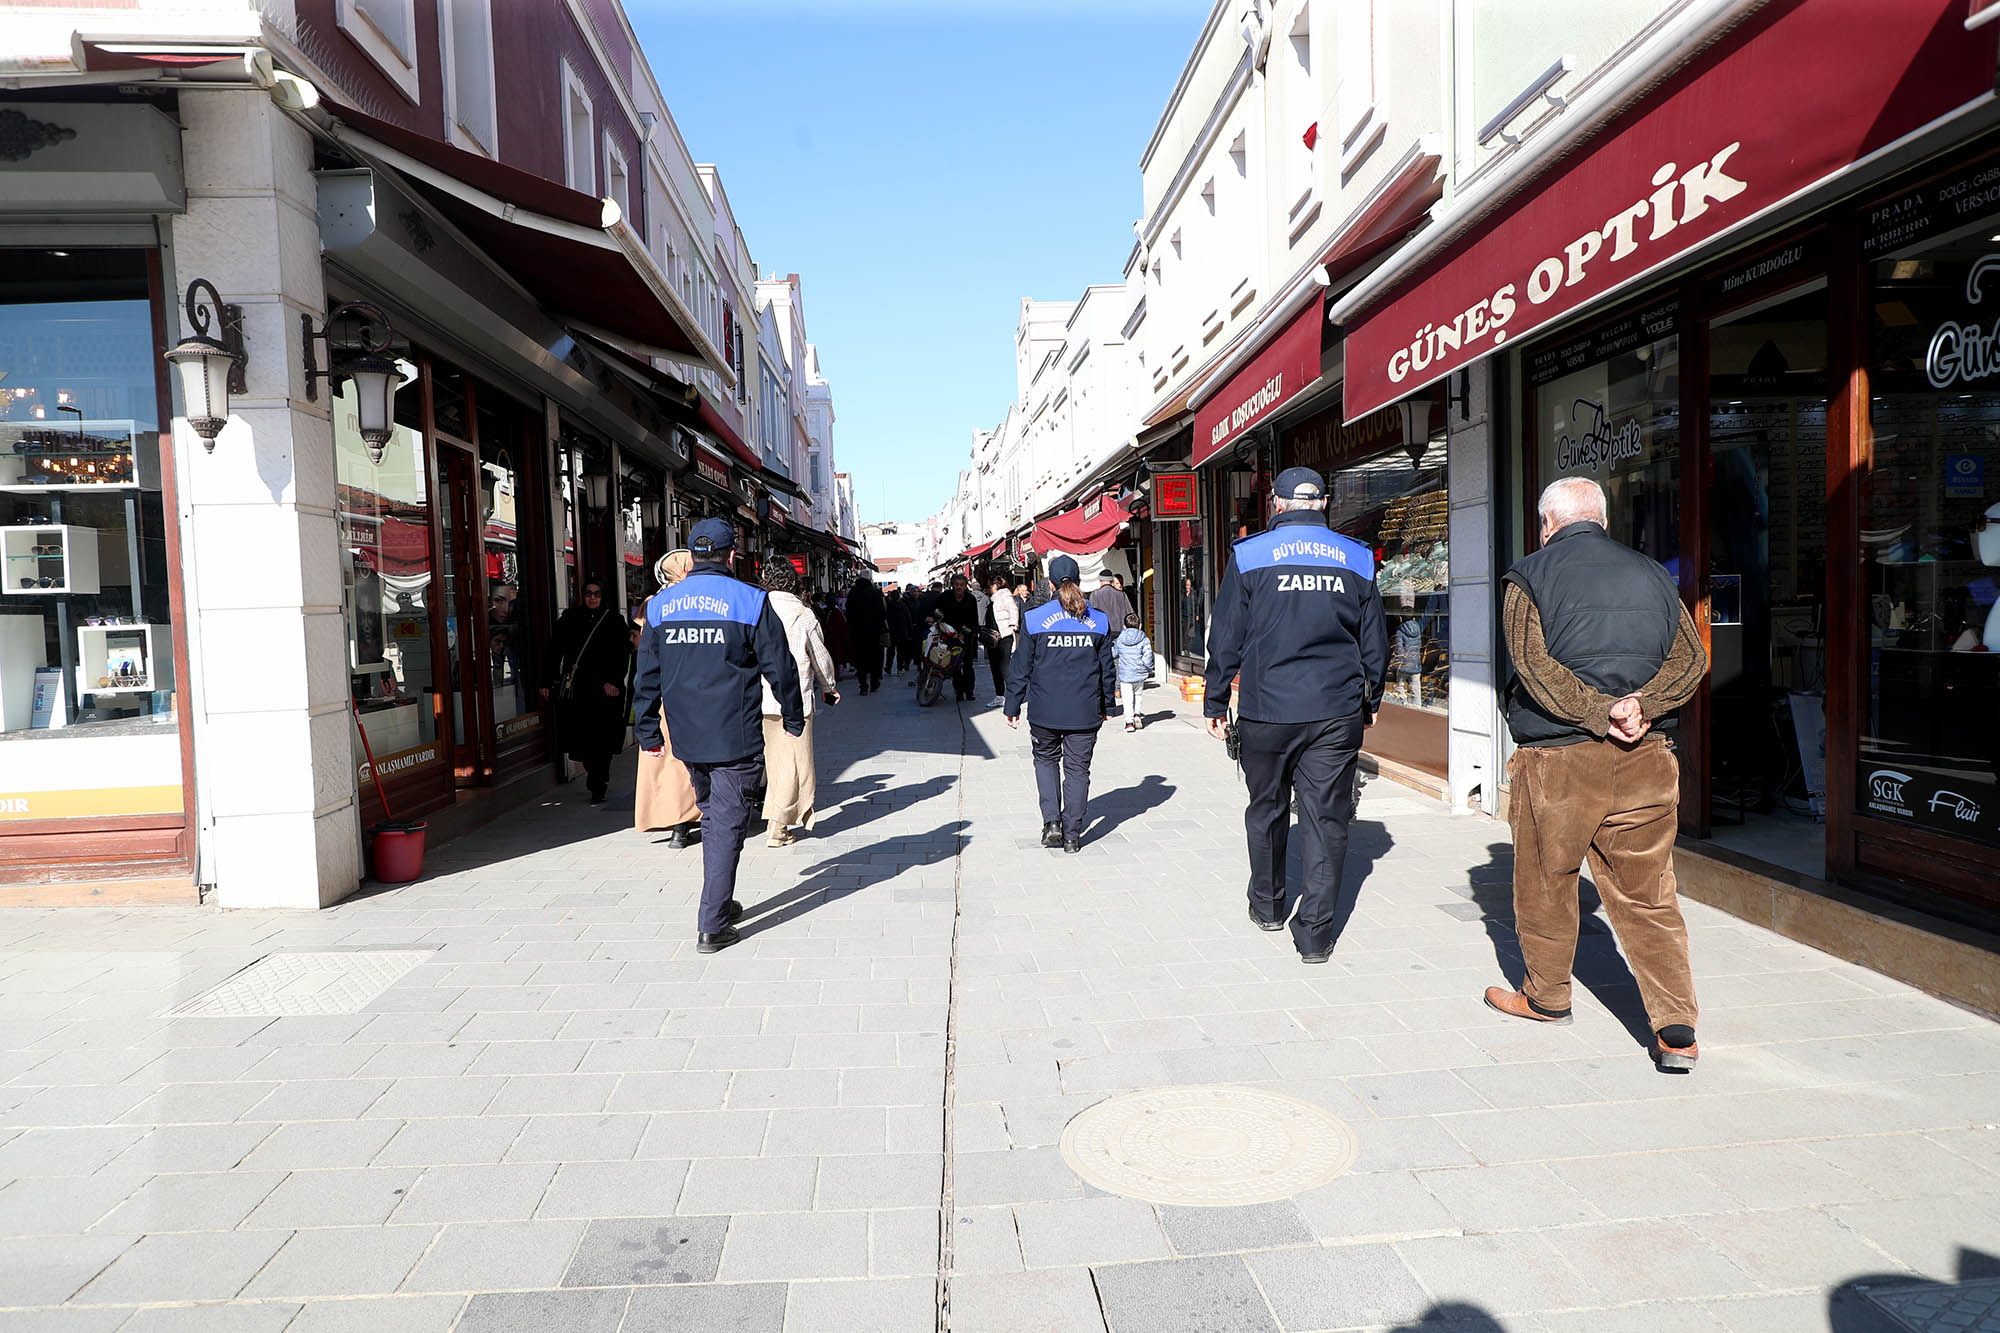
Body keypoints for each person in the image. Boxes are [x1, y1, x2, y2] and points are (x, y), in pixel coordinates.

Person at [1484, 476, 1708, 1071]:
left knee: (1545, 881)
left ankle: (1547, 998)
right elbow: (1692, 659)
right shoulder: (1655, 575)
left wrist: (1596, 710)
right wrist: (1644, 705)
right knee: (1649, 895)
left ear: (1546, 524)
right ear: (1603, 521)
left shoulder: (1527, 575)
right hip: (1646, 757)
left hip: (1558, 761)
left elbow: (1531, 663)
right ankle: (1675, 1028)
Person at [1204, 468, 1387, 964]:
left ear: (1278, 504)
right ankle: (1316, 935)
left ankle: (1267, 905)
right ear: (1323, 503)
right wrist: (1371, 700)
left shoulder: (1249, 555)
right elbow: (1375, 642)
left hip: (1268, 709)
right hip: (1334, 710)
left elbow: (1226, 637)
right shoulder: (1356, 557)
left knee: (1266, 810)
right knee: (1326, 819)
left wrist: (1215, 700)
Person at [633, 519, 803, 954]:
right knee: (726, 823)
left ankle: (721, 900)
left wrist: (647, 729)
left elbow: (646, 675)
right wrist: (793, 716)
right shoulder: (750, 601)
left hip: (686, 737)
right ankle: (712, 923)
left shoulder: (661, 606)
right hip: (734, 735)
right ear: (731, 555)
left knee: (713, 816)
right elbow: (779, 666)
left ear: (692, 556)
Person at [1005, 555, 1116, 853]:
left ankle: (1052, 823)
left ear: (1050, 583)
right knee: (1078, 770)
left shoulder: (1034, 617)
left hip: (1044, 710)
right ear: (1079, 582)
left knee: (1045, 761)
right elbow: (1107, 668)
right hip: (1085, 710)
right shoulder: (1098, 619)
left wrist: (1012, 705)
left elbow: (1021, 666)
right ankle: (1072, 835)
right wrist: (1108, 706)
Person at [759, 562, 838, 845]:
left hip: (761, 700)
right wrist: (829, 686)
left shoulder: (756, 610)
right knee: (794, 763)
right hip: (796, 700)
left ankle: (775, 819)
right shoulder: (803, 614)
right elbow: (820, 656)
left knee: (776, 762)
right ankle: (778, 827)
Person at [542, 578, 631, 805]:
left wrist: (613, 681)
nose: (592, 598)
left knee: (603, 739)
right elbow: (554, 651)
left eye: (597, 594)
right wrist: (546, 681)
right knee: (583, 738)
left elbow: (622, 654)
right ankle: (594, 775)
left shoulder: (614, 621)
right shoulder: (570, 619)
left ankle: (598, 783)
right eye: (588, 594)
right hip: (579, 690)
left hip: (605, 692)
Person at [635, 550, 701, 848]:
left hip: (663, 691)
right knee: (686, 759)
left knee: (666, 760)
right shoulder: (697, 602)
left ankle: (676, 822)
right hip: (693, 689)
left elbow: (645, 655)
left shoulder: (655, 603)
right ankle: (684, 822)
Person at [935, 573, 983, 702]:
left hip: (966, 636)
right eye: (956, 585)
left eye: (962, 585)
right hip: (949, 635)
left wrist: (965, 632)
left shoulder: (971, 599)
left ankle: (969, 691)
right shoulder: (945, 597)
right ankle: (959, 691)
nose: (959, 587)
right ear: (952, 585)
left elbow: (974, 620)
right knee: (954, 665)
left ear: (965, 586)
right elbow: (937, 611)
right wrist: (937, 621)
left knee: (968, 665)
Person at [844, 574, 887, 695]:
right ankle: (874, 682)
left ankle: (863, 685)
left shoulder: (853, 593)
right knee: (875, 657)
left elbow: (848, 611)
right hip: (874, 631)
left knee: (860, 659)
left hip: (857, 632)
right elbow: (883, 611)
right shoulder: (876, 593)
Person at [984, 570, 1021, 706]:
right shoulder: (993, 598)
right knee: (995, 667)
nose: (988, 588)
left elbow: (1013, 609)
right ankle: (999, 695)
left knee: (1004, 667)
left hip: (1003, 636)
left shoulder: (1003, 595)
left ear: (995, 585)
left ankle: (1013, 695)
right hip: (994, 637)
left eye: (989, 585)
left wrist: (1013, 625)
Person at [1112, 612, 1154, 733]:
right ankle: (1137, 714)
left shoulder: (1120, 639)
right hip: (1139, 673)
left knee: (1127, 698)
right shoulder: (1144, 639)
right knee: (1138, 695)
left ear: (1124, 626)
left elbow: (1114, 653)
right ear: (1140, 626)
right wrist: (1148, 668)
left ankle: (1129, 722)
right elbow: (1147, 657)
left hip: (1125, 674)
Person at [885, 584, 915, 677]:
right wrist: (910, 632)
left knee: (890, 651)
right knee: (901, 652)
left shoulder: (888, 607)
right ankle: (900, 669)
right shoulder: (903, 606)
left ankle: (888, 667)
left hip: (891, 632)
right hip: (902, 632)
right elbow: (909, 620)